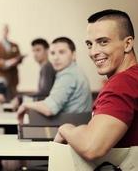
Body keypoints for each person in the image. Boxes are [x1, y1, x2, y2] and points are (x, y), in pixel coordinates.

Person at [54, 9, 138, 160]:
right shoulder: (132, 77)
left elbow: (92, 147)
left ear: (127, 44)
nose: (93, 52)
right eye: (89, 44)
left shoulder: (122, 84)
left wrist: (65, 129)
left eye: (103, 42)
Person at [17, 37, 92, 124]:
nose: (56, 58)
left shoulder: (68, 75)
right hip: (76, 126)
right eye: (52, 53)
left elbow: (49, 109)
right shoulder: (75, 71)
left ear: (73, 55)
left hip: (72, 129)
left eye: (61, 52)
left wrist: (25, 104)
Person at [0, 24, 24, 100]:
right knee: (2, 95)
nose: (5, 32)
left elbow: (19, 58)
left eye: (7, 30)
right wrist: (4, 63)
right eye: (4, 30)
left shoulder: (15, 45)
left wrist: (16, 60)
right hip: (1, 76)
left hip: (13, 77)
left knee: (13, 97)